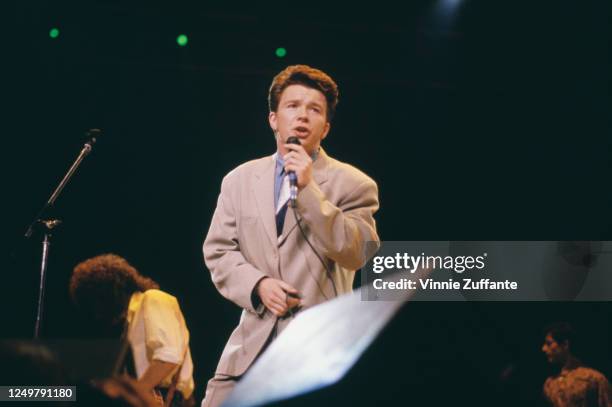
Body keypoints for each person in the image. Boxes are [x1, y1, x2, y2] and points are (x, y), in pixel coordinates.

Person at [201, 64, 380, 406]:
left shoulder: (355, 184)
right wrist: (257, 285)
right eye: (293, 106)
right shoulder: (239, 180)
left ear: (325, 128)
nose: (303, 116)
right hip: (249, 350)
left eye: (314, 110)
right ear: (273, 118)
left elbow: (358, 252)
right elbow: (219, 251)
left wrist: (310, 189)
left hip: (315, 353)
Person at [70, 254, 195, 407]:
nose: (97, 314)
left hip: (165, 399)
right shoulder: (131, 321)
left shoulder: (153, 299)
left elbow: (169, 356)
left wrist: (134, 394)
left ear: (106, 293)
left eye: (95, 304)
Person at [541, 322, 611, 407]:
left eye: (549, 343)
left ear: (565, 344)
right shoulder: (549, 384)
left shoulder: (593, 379)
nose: (544, 348)